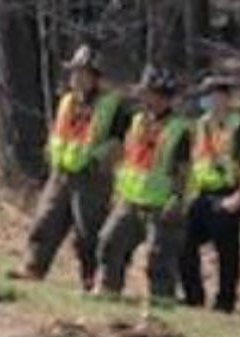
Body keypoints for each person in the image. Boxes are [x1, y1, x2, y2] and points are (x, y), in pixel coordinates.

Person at [11, 45, 129, 291]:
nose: (75, 77)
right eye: (73, 72)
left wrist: (100, 159)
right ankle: (33, 267)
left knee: (88, 232)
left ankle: (91, 280)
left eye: (81, 72)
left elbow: (122, 142)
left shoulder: (113, 105)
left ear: (95, 76)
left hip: (91, 178)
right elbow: (58, 131)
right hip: (61, 173)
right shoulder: (66, 101)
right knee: (45, 220)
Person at [96, 66, 191, 304]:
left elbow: (183, 169)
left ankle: (162, 300)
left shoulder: (179, 129)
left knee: (157, 257)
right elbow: (126, 154)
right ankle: (108, 289)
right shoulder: (136, 121)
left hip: (161, 204)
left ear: (163, 97)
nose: (145, 98)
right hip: (130, 199)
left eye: (150, 94)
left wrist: (177, 198)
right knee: (109, 241)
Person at [179, 75, 240, 313]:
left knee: (226, 251)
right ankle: (193, 296)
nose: (208, 101)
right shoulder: (200, 125)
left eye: (213, 96)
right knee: (184, 241)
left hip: (227, 193)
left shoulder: (238, 126)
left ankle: (225, 302)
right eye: (206, 96)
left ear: (224, 98)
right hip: (202, 193)